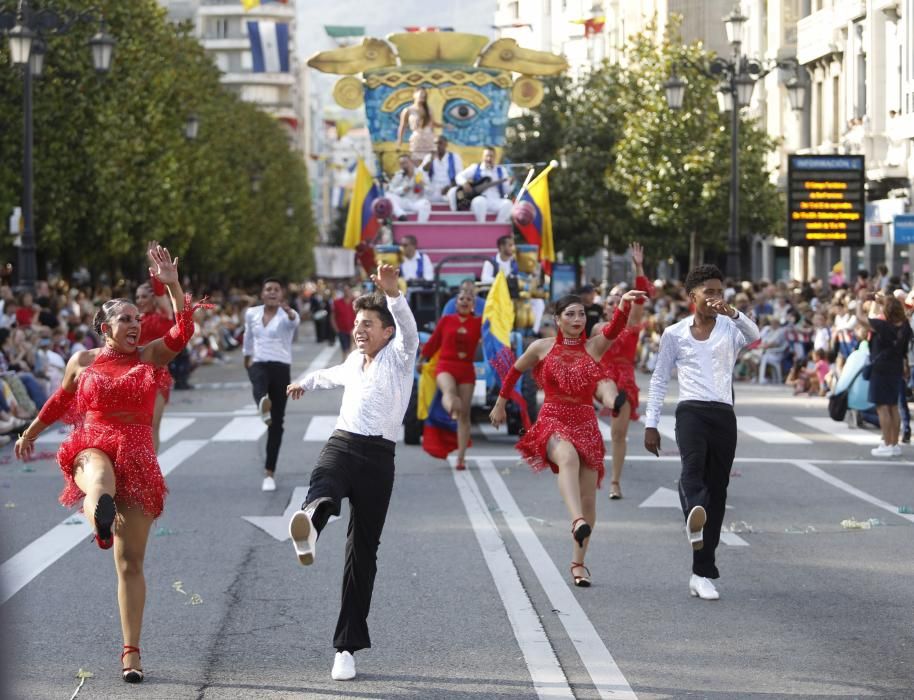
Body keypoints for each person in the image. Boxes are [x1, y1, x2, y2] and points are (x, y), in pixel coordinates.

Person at [14, 245, 203, 684]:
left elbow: (185, 326)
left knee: (129, 564)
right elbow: (61, 400)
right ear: (104, 328)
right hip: (93, 441)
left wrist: (172, 283)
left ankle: (131, 653)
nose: (134, 324)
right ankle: (100, 516)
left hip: (137, 451)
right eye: (125, 319)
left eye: (137, 318)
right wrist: (30, 433)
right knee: (98, 475)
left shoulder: (150, 356)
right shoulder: (82, 361)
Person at [286, 263, 419, 682]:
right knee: (324, 482)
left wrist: (393, 292)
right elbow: (331, 376)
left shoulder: (400, 356)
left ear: (387, 331)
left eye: (369, 325)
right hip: (343, 443)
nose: (360, 330)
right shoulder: (354, 359)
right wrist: (305, 382)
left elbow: (410, 328)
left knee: (362, 553)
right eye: (357, 323)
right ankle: (309, 525)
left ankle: (346, 648)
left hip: (379, 460)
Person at [490, 288, 646, 588]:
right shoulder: (542, 347)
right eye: (570, 314)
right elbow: (514, 371)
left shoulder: (594, 347)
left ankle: (578, 563)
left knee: (589, 499)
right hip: (553, 419)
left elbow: (614, 328)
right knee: (567, 457)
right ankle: (577, 521)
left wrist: (625, 305)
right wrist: (500, 403)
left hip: (586, 423)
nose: (578, 319)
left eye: (581, 313)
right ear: (557, 320)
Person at [643, 264, 760, 601]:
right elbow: (660, 379)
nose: (714, 297)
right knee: (693, 472)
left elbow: (754, 335)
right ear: (691, 295)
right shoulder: (674, 333)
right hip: (691, 410)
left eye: (718, 291)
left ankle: (701, 572)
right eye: (708, 291)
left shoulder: (731, 328)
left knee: (719, 491)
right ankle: (695, 509)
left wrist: (734, 313)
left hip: (723, 414)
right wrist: (651, 423)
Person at [595, 242, 652, 500]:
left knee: (619, 435)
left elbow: (641, 295)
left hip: (624, 380)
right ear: (604, 306)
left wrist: (638, 267)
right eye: (610, 301)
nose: (614, 304)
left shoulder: (632, 324)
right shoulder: (597, 328)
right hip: (599, 378)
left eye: (619, 301)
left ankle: (615, 482)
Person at [243, 278, 300, 492]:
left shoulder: (288, 314)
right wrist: (246, 357)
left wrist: (291, 313)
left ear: (282, 294)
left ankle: (269, 472)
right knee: (258, 383)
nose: (272, 292)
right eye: (268, 289)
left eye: (276, 289)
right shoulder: (251, 314)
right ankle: (262, 404)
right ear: (262, 294)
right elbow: (248, 336)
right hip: (258, 361)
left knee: (277, 424)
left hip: (281, 367)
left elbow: (294, 323)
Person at [419, 286, 482, 469]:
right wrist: (422, 359)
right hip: (446, 365)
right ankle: (452, 408)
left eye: (468, 300)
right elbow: (433, 342)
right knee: (449, 392)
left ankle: (461, 458)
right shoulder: (446, 320)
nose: (464, 301)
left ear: (473, 305)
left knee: (465, 415)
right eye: (461, 299)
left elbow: (491, 339)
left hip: (466, 370)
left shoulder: (479, 323)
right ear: (456, 303)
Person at [855, 292, 912, 457]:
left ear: (886, 311)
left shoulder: (883, 325)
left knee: (882, 407)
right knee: (893, 406)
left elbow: (860, 318)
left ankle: (886, 444)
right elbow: (894, 307)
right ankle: (894, 444)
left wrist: (860, 301)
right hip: (896, 368)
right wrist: (882, 301)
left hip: (881, 368)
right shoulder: (905, 326)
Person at [136, 246, 176, 453]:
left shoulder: (164, 314)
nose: (140, 301)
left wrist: (155, 268)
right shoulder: (132, 320)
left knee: (152, 427)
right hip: (132, 376)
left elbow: (162, 293)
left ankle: (150, 473)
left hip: (157, 376)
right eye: (138, 297)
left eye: (144, 296)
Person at [453, 146, 513, 223]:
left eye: (491, 156)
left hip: (495, 200)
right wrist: (464, 183)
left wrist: (509, 184)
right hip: (479, 200)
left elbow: (506, 191)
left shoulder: (501, 170)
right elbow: (459, 176)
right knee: (480, 201)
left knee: (508, 204)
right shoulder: (475, 168)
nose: (489, 159)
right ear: (482, 157)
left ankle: (497, 227)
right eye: (487, 156)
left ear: (494, 158)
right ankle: (482, 227)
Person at [396, 87, 437, 164]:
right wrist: (400, 140)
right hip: (417, 139)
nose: (422, 96)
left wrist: (435, 137)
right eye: (421, 94)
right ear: (414, 95)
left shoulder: (429, 109)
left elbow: (432, 125)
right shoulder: (408, 110)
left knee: (431, 163)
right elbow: (402, 126)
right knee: (417, 163)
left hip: (429, 139)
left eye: (424, 95)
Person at [387, 154, 432, 223]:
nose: (404, 165)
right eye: (401, 164)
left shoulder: (421, 173)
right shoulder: (399, 175)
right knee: (387, 195)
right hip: (403, 201)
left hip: (416, 202)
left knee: (426, 204)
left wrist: (423, 186)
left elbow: (430, 191)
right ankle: (401, 215)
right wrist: (403, 189)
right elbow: (391, 190)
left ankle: (420, 226)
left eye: (405, 162)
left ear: (411, 162)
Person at [420, 135, 463, 206]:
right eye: (435, 143)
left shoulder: (454, 157)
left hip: (448, 188)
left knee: (454, 194)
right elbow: (423, 171)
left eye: (440, 143)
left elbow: (459, 176)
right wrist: (431, 160)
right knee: (422, 200)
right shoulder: (429, 157)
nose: (437, 145)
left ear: (446, 144)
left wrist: (449, 187)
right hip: (433, 189)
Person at [330, 285, 357, 362]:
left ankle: (350, 363)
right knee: (344, 349)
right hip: (342, 330)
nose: (347, 292)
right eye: (345, 290)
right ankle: (344, 362)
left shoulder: (355, 302)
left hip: (353, 330)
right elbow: (332, 316)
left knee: (353, 349)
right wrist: (336, 328)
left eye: (348, 290)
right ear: (343, 292)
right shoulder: (337, 302)